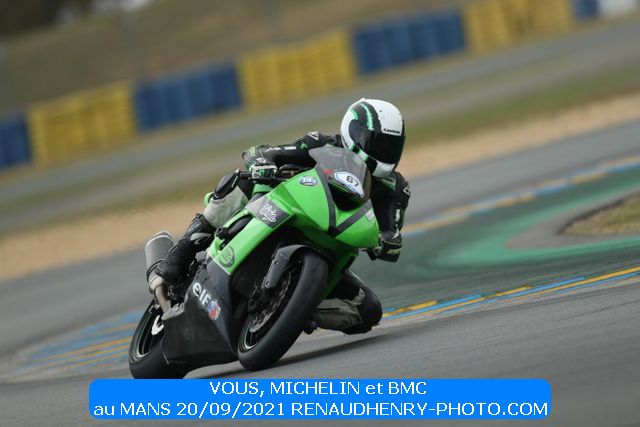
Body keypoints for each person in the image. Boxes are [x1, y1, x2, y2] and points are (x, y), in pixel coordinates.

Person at [152, 98, 411, 335]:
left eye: (391, 146)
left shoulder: (395, 189)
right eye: (377, 143)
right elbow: (268, 153)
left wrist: (388, 241)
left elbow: (391, 230)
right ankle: (179, 254)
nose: (384, 152)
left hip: (331, 251)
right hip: (282, 213)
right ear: (353, 132)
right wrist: (263, 162)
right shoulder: (321, 144)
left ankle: (297, 307)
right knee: (241, 181)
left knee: (369, 309)